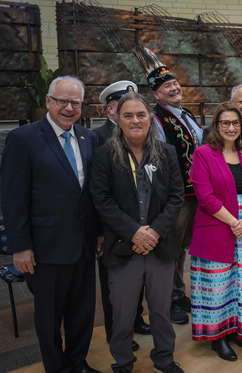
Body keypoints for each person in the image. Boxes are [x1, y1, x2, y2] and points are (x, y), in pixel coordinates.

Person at [1, 76, 101, 373]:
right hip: (45, 249)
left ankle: (78, 363)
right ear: (48, 101)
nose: (69, 108)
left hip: (83, 244)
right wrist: (20, 247)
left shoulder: (89, 137)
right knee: (49, 317)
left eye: (76, 103)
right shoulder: (23, 139)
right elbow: (13, 198)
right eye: (62, 101)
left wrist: (97, 233)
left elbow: (91, 194)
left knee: (82, 312)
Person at [90, 93, 185, 373]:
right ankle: (122, 363)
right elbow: (101, 200)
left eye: (141, 114)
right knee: (122, 313)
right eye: (128, 115)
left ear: (150, 119)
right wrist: (135, 232)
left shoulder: (166, 152)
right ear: (117, 119)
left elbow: (177, 197)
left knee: (161, 311)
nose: (135, 120)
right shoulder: (105, 155)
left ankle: (164, 359)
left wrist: (153, 232)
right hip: (123, 248)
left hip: (160, 246)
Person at [189, 101, 242, 362]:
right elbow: (205, 197)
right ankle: (218, 337)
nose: (231, 127)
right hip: (218, 226)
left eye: (235, 123)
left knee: (241, 283)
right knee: (218, 287)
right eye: (225, 122)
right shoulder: (203, 154)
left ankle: (237, 329)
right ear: (216, 125)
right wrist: (236, 221)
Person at [94, 80, 150, 352]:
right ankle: (116, 332)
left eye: (138, 111)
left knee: (137, 278)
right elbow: (96, 193)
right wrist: (101, 230)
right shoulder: (98, 137)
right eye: (123, 110)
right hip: (114, 228)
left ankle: (136, 319)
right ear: (111, 111)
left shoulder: (145, 135)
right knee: (113, 286)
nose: (132, 116)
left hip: (144, 227)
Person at [147, 61, 203, 324]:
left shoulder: (187, 115)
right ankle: (167, 301)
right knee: (169, 248)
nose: (174, 88)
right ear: (156, 95)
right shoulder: (157, 118)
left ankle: (179, 293)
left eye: (175, 83)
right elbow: (159, 159)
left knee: (181, 248)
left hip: (195, 195)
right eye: (166, 86)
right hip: (176, 197)